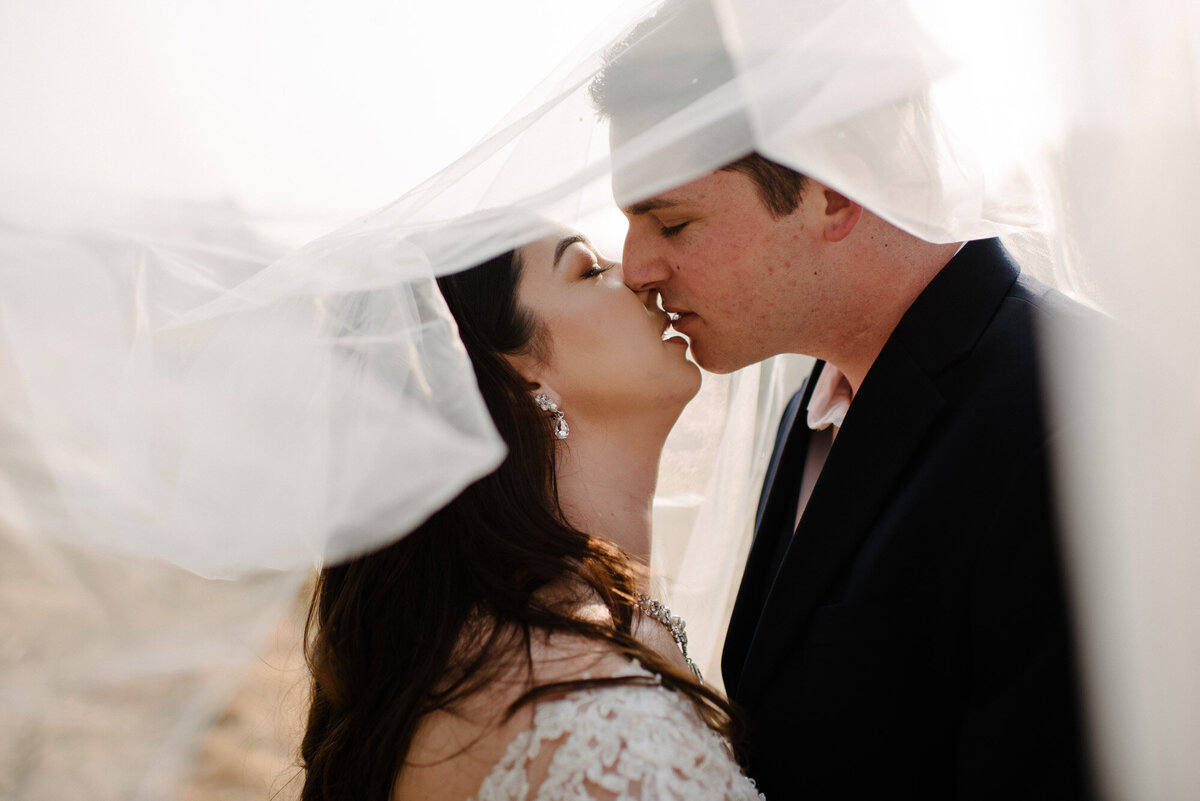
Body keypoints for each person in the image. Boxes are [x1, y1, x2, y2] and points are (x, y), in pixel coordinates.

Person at [591, 1, 1095, 798]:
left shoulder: (1068, 411)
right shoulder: (812, 407)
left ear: (832, 192)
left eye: (673, 222)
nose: (635, 267)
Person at [298, 229, 765, 800]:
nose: (639, 276)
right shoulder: (581, 693)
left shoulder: (502, 640)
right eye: (589, 270)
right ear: (521, 377)